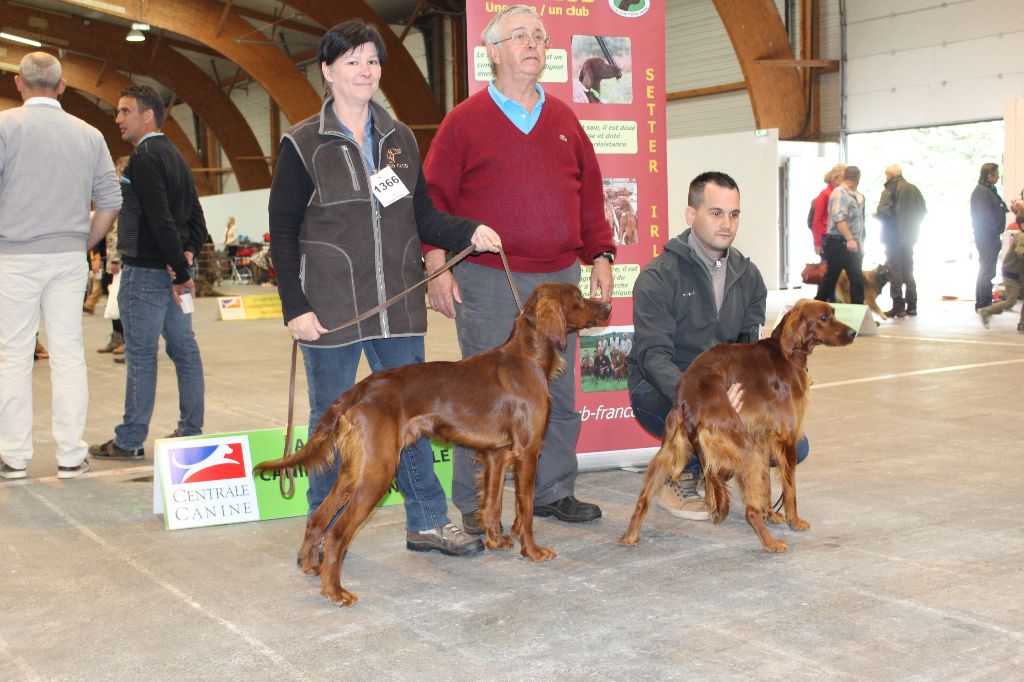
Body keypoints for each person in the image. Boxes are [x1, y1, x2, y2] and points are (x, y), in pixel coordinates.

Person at [268, 20, 503, 558]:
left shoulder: (399, 138)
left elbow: (420, 215)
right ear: (327, 72)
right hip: (330, 310)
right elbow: (282, 229)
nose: (364, 71)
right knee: (330, 421)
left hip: (397, 306)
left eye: (372, 61)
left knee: (412, 420)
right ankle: (320, 529)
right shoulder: (303, 143)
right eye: (351, 61)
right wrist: (294, 305)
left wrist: (467, 230)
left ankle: (427, 522)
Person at [422, 4, 614, 534]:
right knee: (479, 397)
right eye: (520, 36)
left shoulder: (564, 121)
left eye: (539, 36)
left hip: (560, 283)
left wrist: (600, 254)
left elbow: (592, 195)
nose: (533, 44)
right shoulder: (463, 121)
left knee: (557, 394)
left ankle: (553, 490)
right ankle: (473, 503)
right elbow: (433, 197)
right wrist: (437, 263)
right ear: (493, 52)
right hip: (486, 279)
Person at [627, 171, 809, 519]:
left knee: (795, 446)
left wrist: (752, 391)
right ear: (690, 214)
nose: (727, 224)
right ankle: (679, 472)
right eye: (716, 213)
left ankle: (718, 466)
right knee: (704, 417)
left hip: (728, 387)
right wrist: (706, 397)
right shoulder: (658, 276)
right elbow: (653, 357)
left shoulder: (749, 276)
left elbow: (749, 348)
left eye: (734, 214)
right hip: (663, 389)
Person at [0, 52, 121, 480]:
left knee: (13, 356)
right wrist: (84, 242)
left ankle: (14, 457)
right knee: (68, 354)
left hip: (13, 257)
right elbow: (110, 200)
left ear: (19, 83)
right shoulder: (88, 134)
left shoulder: (4, 127)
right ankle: (71, 455)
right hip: (68, 257)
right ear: (63, 85)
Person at [89, 84, 207, 461]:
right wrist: (184, 261)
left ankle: (129, 440)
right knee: (185, 352)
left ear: (148, 115)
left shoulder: (142, 160)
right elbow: (196, 222)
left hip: (144, 274)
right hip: (172, 274)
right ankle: (191, 431)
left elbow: (158, 218)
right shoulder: (177, 158)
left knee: (141, 356)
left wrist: (178, 270)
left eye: (125, 111)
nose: (118, 118)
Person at [875, 164, 927, 317]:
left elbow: (883, 211)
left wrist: (877, 216)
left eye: (886, 175)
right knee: (908, 270)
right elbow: (923, 210)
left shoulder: (889, 189)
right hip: (909, 236)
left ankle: (898, 306)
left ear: (890, 175)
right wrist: (912, 225)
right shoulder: (913, 189)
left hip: (893, 237)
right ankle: (912, 306)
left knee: (895, 270)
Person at [815, 165, 866, 305]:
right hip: (839, 243)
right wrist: (849, 238)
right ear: (858, 179)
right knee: (830, 280)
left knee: (857, 280)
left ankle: (859, 314)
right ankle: (813, 308)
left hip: (851, 244)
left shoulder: (853, 194)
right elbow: (839, 218)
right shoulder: (840, 193)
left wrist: (858, 243)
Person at [98, 155, 130, 358]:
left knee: (124, 301)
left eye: (118, 171)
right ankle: (118, 336)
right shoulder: (118, 194)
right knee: (115, 300)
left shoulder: (127, 195)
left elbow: (121, 229)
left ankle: (129, 341)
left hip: (123, 257)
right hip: (115, 255)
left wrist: (117, 258)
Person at [978, 199, 1024, 332]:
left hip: (1019, 273)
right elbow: (1022, 255)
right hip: (1011, 274)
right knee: (1011, 301)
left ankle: (1022, 323)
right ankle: (986, 311)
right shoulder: (1021, 237)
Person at [970, 163, 1010, 310]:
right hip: (986, 236)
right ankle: (983, 302)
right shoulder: (982, 192)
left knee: (987, 269)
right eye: (996, 174)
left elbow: (998, 208)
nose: (998, 177)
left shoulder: (989, 190)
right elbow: (985, 216)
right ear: (989, 175)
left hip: (989, 236)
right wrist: (994, 231)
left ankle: (984, 301)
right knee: (987, 269)